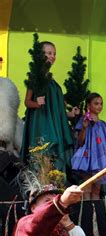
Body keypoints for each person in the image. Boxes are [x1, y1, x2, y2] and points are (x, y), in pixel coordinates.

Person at [21, 41, 79, 176]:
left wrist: (69, 114)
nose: (52, 56)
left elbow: (55, 110)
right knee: (44, 157)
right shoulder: (35, 76)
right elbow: (27, 102)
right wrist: (37, 103)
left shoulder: (52, 81)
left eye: (54, 53)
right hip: (41, 125)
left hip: (54, 126)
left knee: (54, 163)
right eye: (49, 53)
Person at [71, 93, 106, 200]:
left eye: (101, 104)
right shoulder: (84, 121)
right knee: (87, 188)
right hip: (88, 158)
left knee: (97, 190)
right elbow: (80, 142)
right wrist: (84, 128)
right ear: (88, 105)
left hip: (100, 159)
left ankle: (95, 215)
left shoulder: (103, 124)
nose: (99, 106)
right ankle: (87, 214)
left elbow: (103, 142)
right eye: (96, 103)